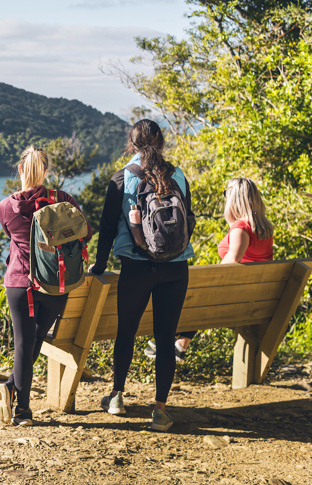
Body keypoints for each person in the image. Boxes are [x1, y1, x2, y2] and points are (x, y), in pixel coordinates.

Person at [87, 119, 195, 432]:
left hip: (135, 267)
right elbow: (189, 220)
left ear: (132, 143)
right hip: (176, 268)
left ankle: (117, 397)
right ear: (161, 142)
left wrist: (99, 263)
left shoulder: (122, 178)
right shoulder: (179, 175)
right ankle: (160, 410)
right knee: (165, 337)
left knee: (127, 332)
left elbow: (107, 228)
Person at [0, 145, 92, 426]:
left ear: (20, 170)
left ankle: (21, 407)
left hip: (20, 284)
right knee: (35, 340)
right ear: (47, 171)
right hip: (54, 284)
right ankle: (13, 390)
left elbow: (11, 235)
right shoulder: (63, 200)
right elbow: (83, 234)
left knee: (25, 343)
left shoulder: (7, 206)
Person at [145, 177, 273, 362]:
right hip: (254, 298)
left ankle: (171, 339)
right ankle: (178, 344)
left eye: (226, 194)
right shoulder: (264, 229)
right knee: (201, 296)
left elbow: (232, 261)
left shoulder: (241, 228)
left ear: (235, 199)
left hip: (234, 298)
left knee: (199, 293)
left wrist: (209, 282)